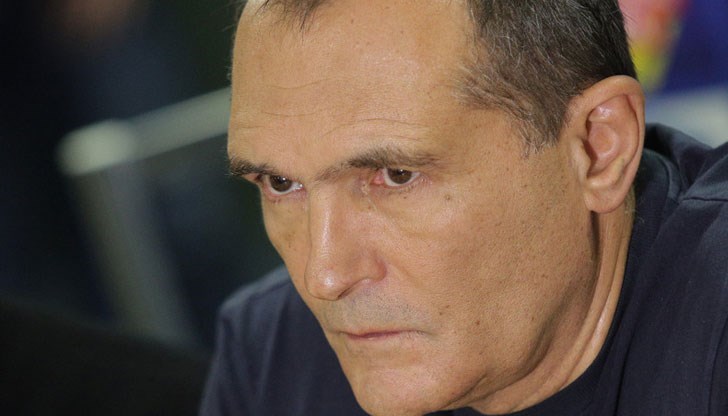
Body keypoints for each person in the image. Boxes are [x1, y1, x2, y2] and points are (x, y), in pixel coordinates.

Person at [200, 0, 728, 414]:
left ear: (598, 149)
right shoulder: (272, 356)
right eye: (281, 183)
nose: (325, 276)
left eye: (396, 176)